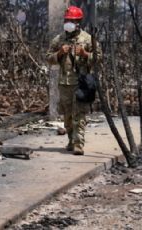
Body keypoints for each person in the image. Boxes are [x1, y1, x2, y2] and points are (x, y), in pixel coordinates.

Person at [46, 6, 102, 155]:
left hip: (80, 83)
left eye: (71, 20)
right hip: (64, 83)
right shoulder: (59, 39)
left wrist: (85, 54)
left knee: (79, 114)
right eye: (67, 20)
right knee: (67, 115)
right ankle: (71, 140)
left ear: (78, 22)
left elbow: (99, 58)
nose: (68, 23)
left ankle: (78, 144)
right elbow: (48, 58)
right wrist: (59, 53)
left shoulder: (88, 39)